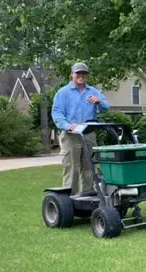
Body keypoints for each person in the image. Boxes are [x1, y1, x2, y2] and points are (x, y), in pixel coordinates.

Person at [52, 62, 110, 196]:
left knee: (89, 167)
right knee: (72, 168)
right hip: (71, 134)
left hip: (89, 133)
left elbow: (106, 107)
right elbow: (57, 113)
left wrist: (98, 102)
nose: (81, 76)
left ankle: (87, 197)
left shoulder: (93, 92)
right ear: (72, 74)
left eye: (84, 73)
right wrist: (67, 125)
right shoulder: (63, 93)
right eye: (78, 73)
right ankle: (69, 201)